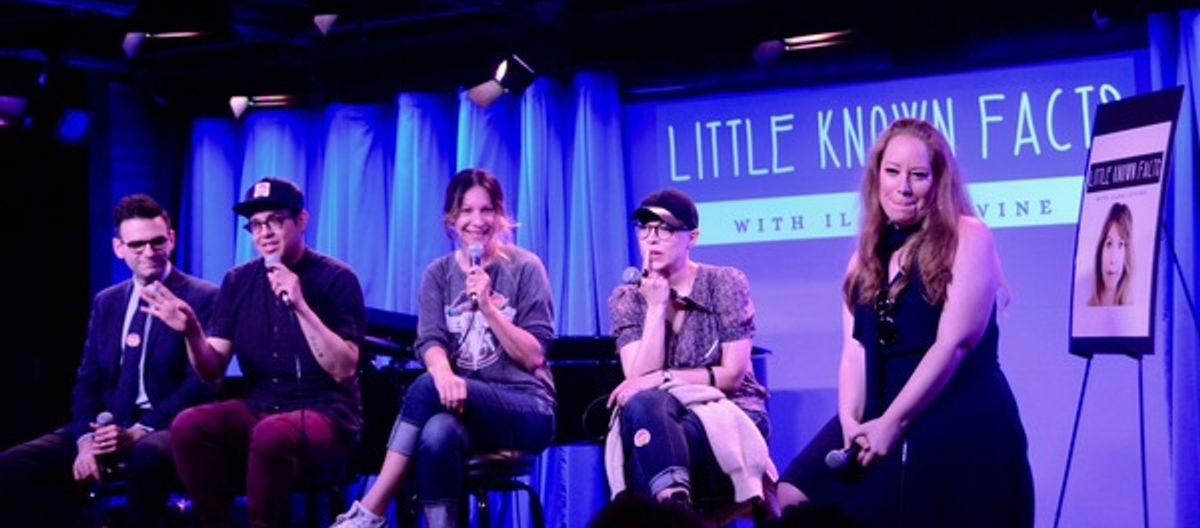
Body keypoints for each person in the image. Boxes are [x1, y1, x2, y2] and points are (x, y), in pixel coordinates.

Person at [778, 118, 1033, 527]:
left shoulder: (968, 236)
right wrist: (850, 420)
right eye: (893, 172)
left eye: (918, 175)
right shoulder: (864, 258)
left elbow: (954, 345)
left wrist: (893, 423)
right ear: (877, 176)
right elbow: (855, 351)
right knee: (793, 492)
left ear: (939, 181)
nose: (903, 187)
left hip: (952, 404)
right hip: (880, 406)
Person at [329, 168, 556, 528]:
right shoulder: (438, 274)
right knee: (436, 433)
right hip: (462, 409)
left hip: (526, 408)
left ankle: (372, 509)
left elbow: (533, 356)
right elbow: (430, 341)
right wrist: (445, 375)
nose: (477, 221)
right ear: (451, 218)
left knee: (425, 386)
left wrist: (488, 308)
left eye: (486, 210)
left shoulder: (525, 268)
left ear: (500, 215)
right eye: (466, 211)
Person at [142, 176, 366, 528]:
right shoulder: (237, 281)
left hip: (327, 412)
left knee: (271, 433)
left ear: (301, 221)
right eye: (256, 225)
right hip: (261, 406)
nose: (265, 233)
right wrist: (192, 331)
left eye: (275, 221)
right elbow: (213, 369)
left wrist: (300, 305)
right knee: (188, 425)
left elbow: (343, 369)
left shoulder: (336, 278)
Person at [0, 194, 217, 527]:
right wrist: (85, 442)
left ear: (171, 239)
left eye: (157, 242)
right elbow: (88, 380)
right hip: (107, 425)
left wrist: (138, 430)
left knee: (146, 457)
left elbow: (201, 383)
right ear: (119, 248)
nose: (149, 252)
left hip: (163, 424)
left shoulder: (204, 296)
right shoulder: (108, 301)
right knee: (12, 467)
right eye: (137, 245)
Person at [606, 187, 772, 513]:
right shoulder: (627, 298)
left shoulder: (723, 282)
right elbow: (638, 380)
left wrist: (664, 378)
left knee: (647, 449)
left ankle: (671, 513)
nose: (652, 239)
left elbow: (733, 376)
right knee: (647, 408)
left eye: (665, 229)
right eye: (645, 228)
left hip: (731, 410)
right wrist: (656, 308)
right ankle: (676, 506)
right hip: (661, 415)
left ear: (691, 237)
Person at [1087, 202, 1134, 307]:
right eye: (1109, 244)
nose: (1113, 259)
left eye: (1120, 245)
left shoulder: (1133, 310)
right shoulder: (1086, 308)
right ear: (1100, 251)